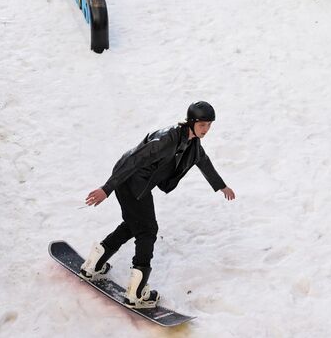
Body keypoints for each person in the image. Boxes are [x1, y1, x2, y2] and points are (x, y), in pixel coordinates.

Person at [80, 102, 234, 308]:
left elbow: (203, 161)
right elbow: (133, 160)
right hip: (130, 180)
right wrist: (107, 188)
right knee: (147, 231)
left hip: (139, 184)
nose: (206, 130)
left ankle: (94, 263)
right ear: (191, 122)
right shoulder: (165, 139)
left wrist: (221, 186)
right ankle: (136, 292)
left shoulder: (191, 143)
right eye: (202, 125)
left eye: (209, 125)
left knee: (134, 224)